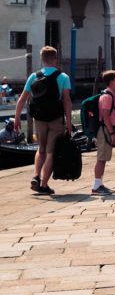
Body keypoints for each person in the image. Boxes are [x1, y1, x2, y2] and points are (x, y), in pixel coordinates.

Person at [13, 45, 73, 195]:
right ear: (55, 59)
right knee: (51, 152)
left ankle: (36, 176)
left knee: (41, 149)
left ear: (42, 59)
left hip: (38, 118)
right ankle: (44, 184)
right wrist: (69, 122)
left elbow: (22, 99)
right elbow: (67, 101)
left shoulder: (34, 76)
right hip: (55, 119)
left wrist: (17, 118)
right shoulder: (63, 77)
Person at [91, 70, 115, 196]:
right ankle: (96, 186)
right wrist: (112, 133)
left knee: (103, 158)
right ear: (111, 81)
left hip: (106, 128)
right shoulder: (107, 97)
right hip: (105, 129)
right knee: (101, 158)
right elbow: (105, 116)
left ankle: (99, 184)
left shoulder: (110, 95)